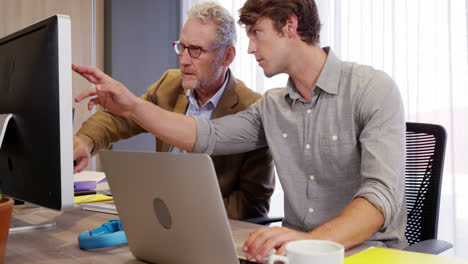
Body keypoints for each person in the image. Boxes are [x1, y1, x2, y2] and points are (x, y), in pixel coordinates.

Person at [73, 0, 407, 261]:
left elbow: (379, 199)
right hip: (290, 253)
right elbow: (207, 135)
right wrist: (131, 105)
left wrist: (310, 241)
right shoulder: (273, 105)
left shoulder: (372, 89)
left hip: (366, 253)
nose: (249, 48)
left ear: (290, 25)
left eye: (256, 33)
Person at [73, 2, 275, 221]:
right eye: (182, 47)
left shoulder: (253, 108)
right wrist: (85, 141)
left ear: (227, 56)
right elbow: (121, 118)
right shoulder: (169, 84)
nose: (184, 60)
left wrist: (181, 213)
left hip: (208, 228)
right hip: (158, 216)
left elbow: (252, 205)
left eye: (196, 50)